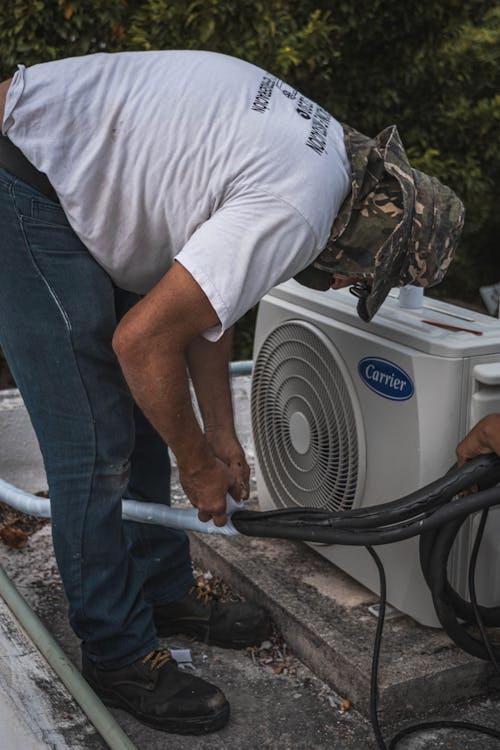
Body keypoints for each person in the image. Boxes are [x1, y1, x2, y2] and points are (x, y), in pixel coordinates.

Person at [0, 49, 464, 734]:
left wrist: (220, 432)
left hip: (72, 162)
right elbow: (142, 342)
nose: (344, 285)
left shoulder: (328, 156)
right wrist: (195, 463)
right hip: (26, 174)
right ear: (369, 233)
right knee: (95, 444)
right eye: (364, 275)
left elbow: (205, 308)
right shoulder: (299, 209)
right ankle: (117, 651)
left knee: (143, 410)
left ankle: (161, 592)